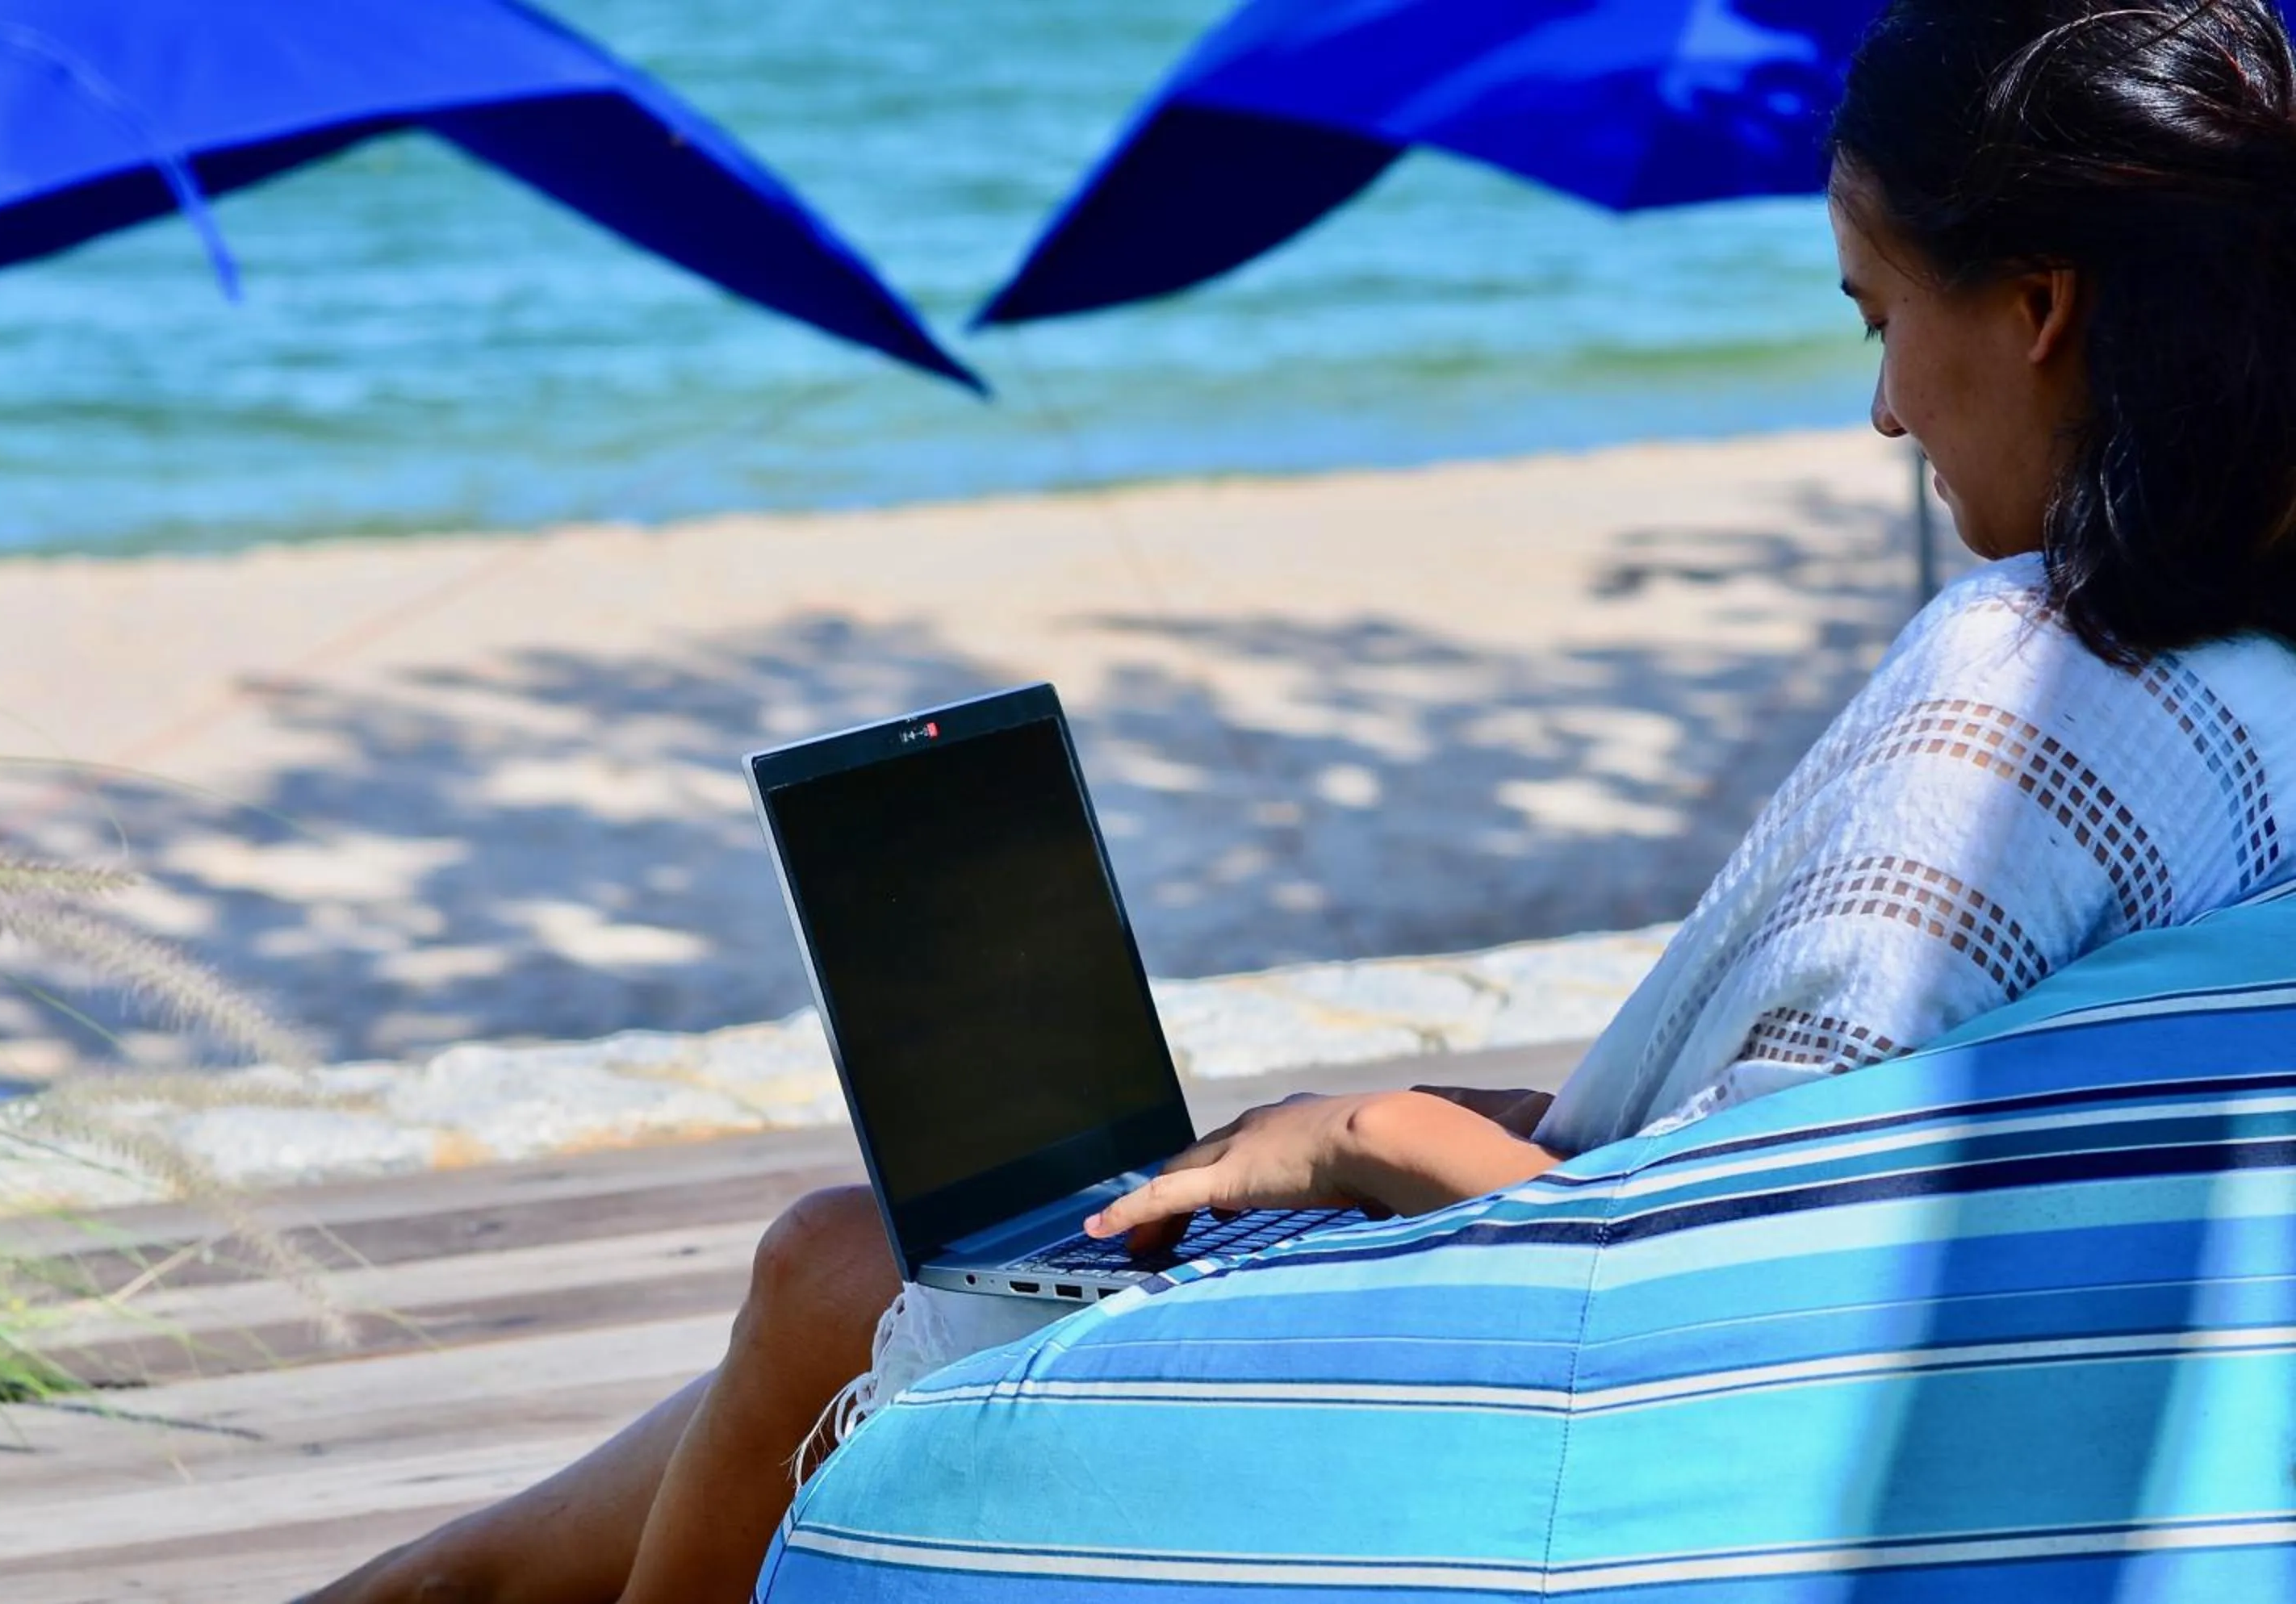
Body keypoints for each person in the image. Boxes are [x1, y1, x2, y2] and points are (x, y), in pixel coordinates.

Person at [307, 3, 2296, 1599]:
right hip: (2021, 1371)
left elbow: (1721, 1289)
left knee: (841, 1269)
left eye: (1880, 317)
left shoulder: (2022, 704)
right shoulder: (2248, 675)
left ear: (2037, 305)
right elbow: (1843, 1124)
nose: (1881, 406)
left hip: (1582, 1440)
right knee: (850, 1282)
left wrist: (1369, 1132)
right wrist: (1463, 1127)